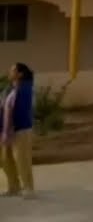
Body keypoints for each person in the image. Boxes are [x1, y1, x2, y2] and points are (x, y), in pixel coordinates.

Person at [2, 63, 36, 198]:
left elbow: (21, 111)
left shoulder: (25, 89)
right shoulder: (11, 88)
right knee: (5, 159)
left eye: (13, 70)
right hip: (7, 129)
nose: (10, 72)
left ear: (20, 74)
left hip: (20, 129)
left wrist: (12, 129)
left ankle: (28, 188)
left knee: (22, 159)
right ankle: (14, 186)